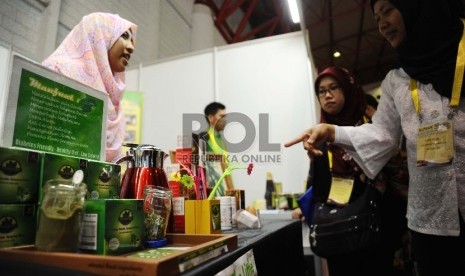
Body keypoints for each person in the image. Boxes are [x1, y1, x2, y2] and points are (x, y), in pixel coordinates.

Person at [285, 1, 465, 275]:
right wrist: (332, 132)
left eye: (388, 10)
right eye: (376, 16)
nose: (381, 24)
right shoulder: (396, 81)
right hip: (430, 219)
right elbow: (382, 133)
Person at [292, 66, 401, 276]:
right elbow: (316, 183)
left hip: (375, 228)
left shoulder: (372, 130)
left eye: (334, 88)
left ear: (349, 89)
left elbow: (393, 176)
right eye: (321, 91)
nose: (327, 95)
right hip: (337, 232)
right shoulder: (319, 135)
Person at [42, 12, 137, 162]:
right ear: (101, 35)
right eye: (124, 36)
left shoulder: (116, 102)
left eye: (132, 40)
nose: (132, 47)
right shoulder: (59, 71)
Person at [199, 102, 233, 194]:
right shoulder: (204, 138)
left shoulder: (221, 140)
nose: (225, 119)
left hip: (225, 189)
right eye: (221, 116)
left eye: (225, 116)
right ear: (210, 118)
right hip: (213, 192)